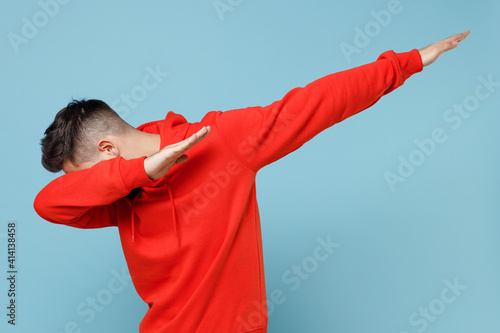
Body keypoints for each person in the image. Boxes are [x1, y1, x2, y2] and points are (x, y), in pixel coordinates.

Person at [34, 31, 470, 333]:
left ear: (108, 151)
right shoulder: (122, 196)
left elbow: (313, 104)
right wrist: (142, 171)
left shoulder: (218, 142)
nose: (92, 188)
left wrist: (406, 63)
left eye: (87, 177)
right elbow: (48, 204)